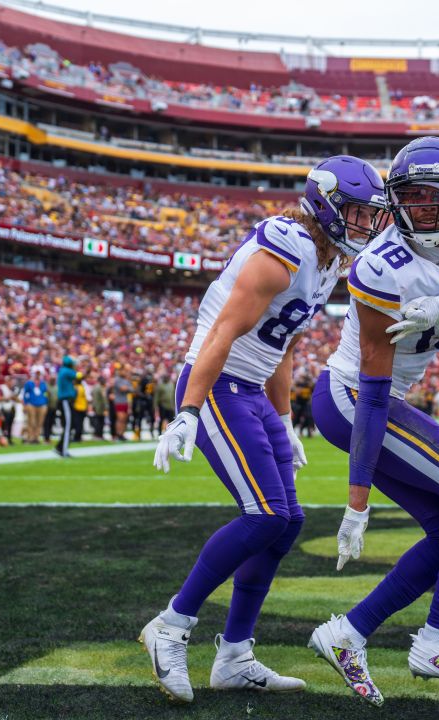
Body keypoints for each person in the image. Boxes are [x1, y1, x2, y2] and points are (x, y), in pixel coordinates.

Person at [142, 155, 389, 704]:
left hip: (252, 392)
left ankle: (234, 655)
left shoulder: (326, 261)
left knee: (287, 522)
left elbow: (282, 344)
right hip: (219, 384)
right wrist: (187, 410)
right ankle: (171, 624)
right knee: (266, 515)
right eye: (354, 212)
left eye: (369, 215)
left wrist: (282, 419)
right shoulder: (285, 249)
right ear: (324, 204)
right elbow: (223, 332)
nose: (364, 225)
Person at [307, 137, 439, 705]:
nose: (424, 207)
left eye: (437, 196)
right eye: (412, 196)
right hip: (354, 398)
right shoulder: (379, 267)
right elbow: (374, 391)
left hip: (380, 399)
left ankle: (346, 633)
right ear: (394, 199)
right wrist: (357, 504)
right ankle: (437, 642)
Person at [54, 356, 78, 457]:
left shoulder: (64, 371)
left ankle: (59, 447)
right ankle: (63, 450)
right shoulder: (66, 371)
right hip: (65, 401)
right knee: (68, 426)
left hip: (67, 401)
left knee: (70, 425)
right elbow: (79, 375)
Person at [21, 369, 48, 443]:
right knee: (31, 422)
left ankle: (36, 437)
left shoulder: (43, 384)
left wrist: (46, 402)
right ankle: (30, 437)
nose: (38, 376)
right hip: (31, 404)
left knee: (39, 422)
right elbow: (25, 394)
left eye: (39, 374)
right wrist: (25, 404)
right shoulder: (29, 383)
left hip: (41, 404)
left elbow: (45, 393)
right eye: (36, 374)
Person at [90, 376, 109, 441]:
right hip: (100, 407)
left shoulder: (95, 387)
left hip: (95, 406)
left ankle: (96, 434)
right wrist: (106, 408)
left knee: (97, 421)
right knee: (100, 422)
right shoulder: (101, 388)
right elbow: (104, 399)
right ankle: (98, 435)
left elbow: (91, 394)